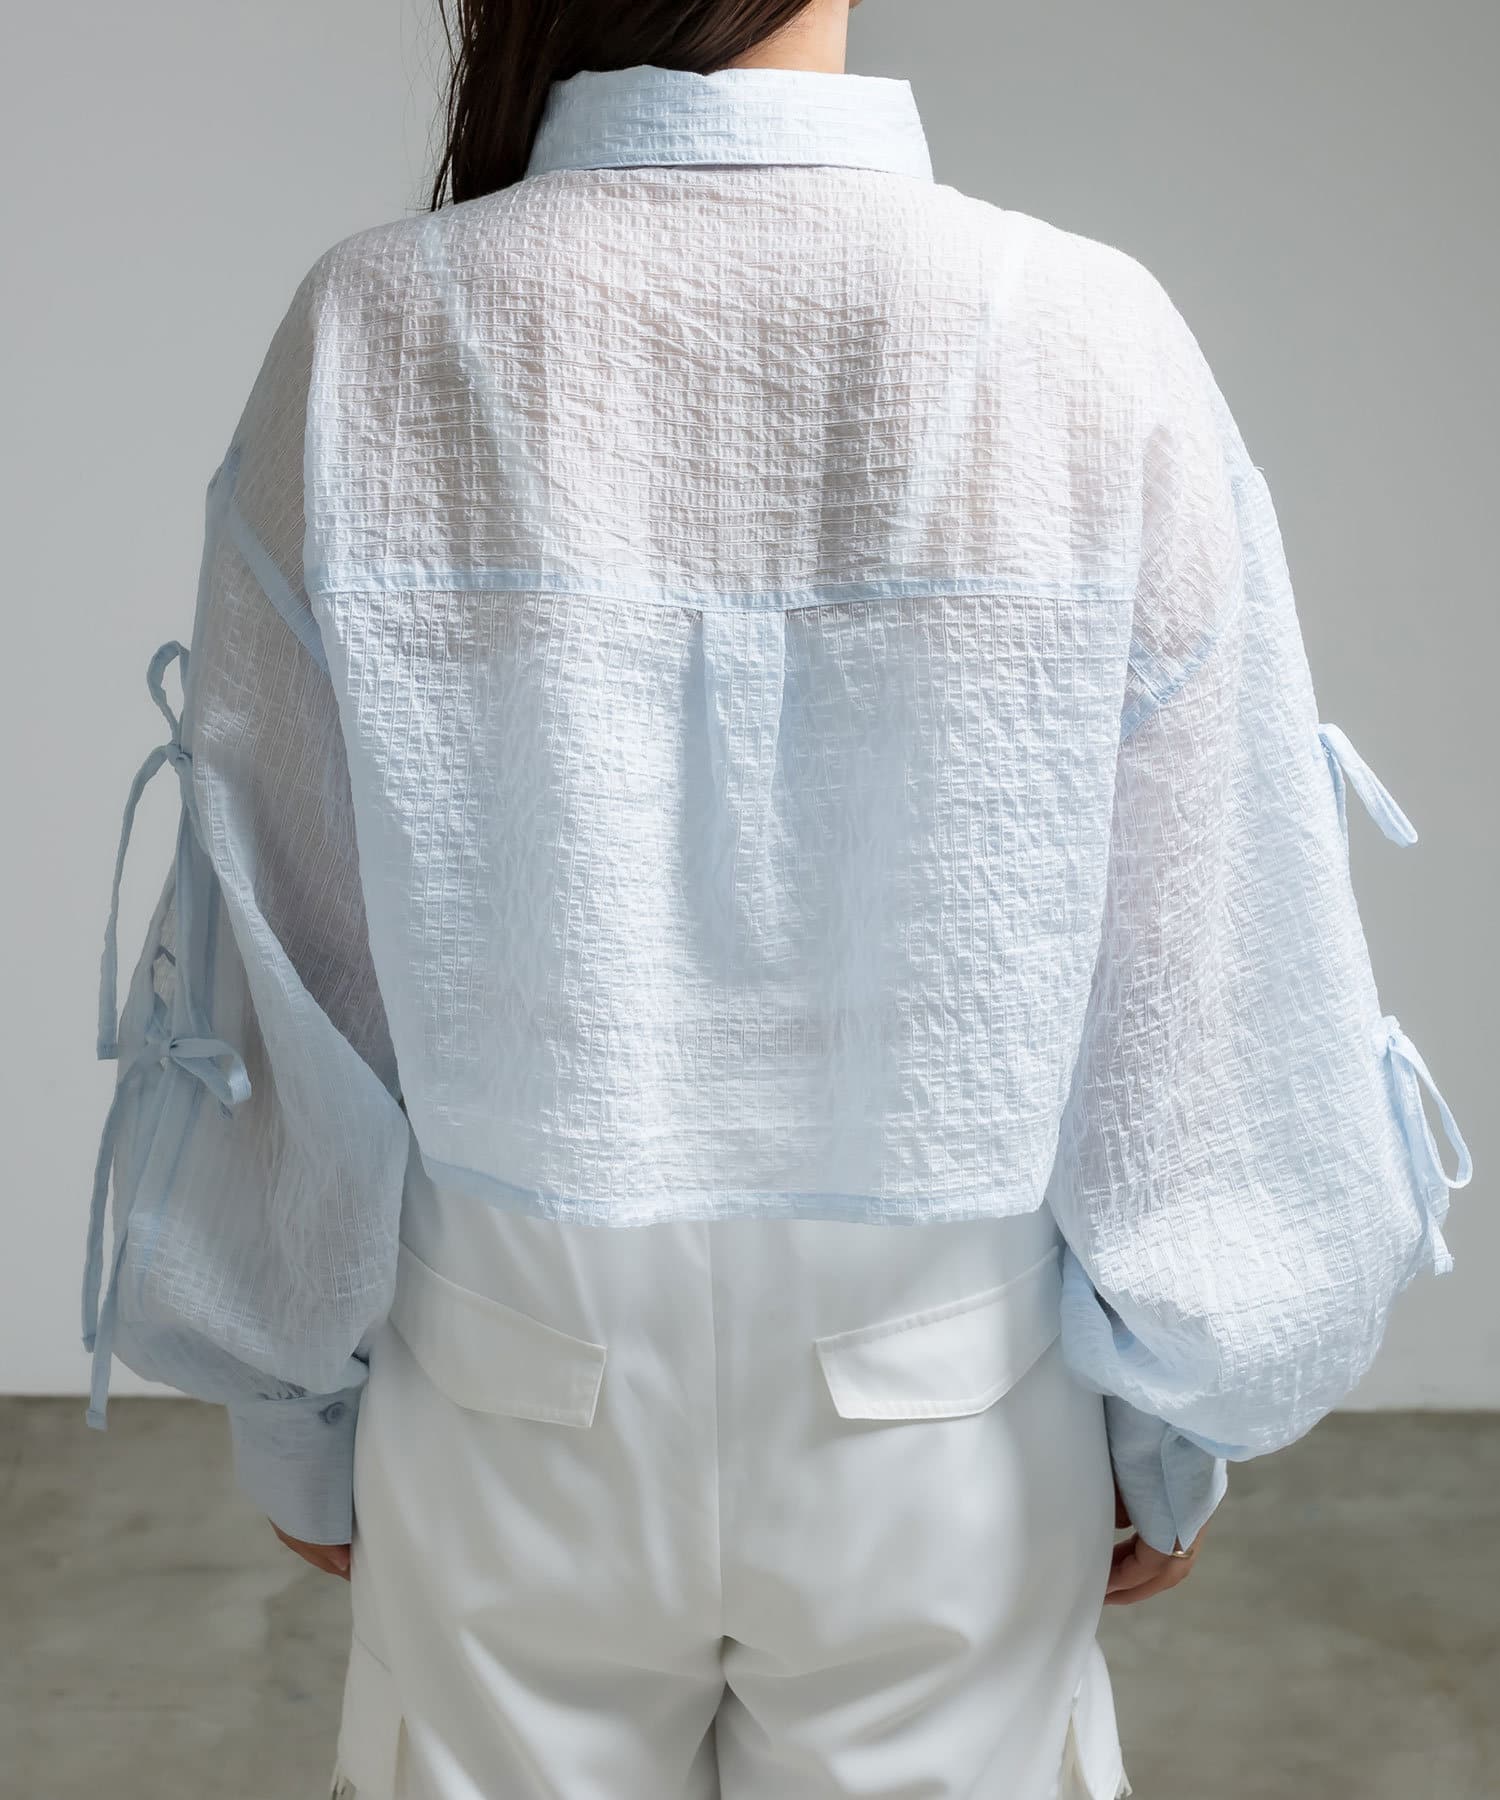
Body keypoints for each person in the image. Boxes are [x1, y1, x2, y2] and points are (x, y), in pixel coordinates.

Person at [82, 2, 1474, 1796]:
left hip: (511, 1379)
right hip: (944, 1409)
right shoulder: (1085, 331)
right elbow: (1199, 961)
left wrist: (292, 1402)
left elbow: (285, 927)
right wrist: (1178, 1425)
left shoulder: (376, 326)